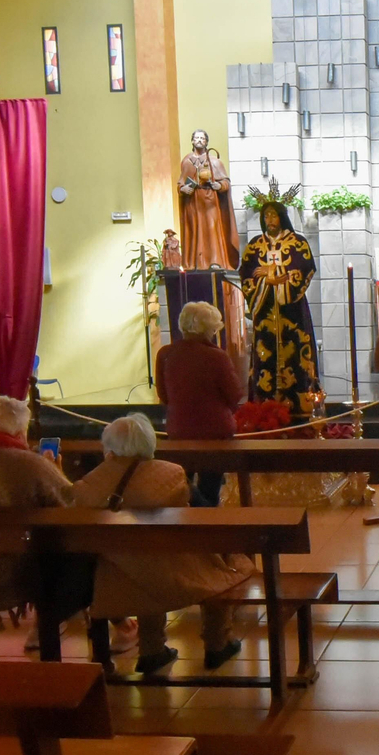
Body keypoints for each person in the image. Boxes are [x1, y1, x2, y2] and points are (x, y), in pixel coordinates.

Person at [0, 396, 136, 652]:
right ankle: (74, 624)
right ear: (17, 431)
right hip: (17, 576)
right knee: (88, 549)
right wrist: (56, 472)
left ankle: (49, 624)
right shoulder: (29, 464)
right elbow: (74, 509)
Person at [72, 414, 256, 674]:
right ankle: (217, 643)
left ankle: (152, 651)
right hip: (176, 573)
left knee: (143, 566)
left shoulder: (91, 482)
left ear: (109, 446)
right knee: (219, 560)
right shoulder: (171, 473)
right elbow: (206, 517)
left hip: (116, 579)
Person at [238, 177, 321, 417]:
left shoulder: (298, 243)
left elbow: (305, 268)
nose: (269, 220)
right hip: (265, 310)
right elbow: (246, 274)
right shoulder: (255, 246)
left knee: (296, 356)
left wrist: (274, 274)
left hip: (292, 311)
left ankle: (300, 406)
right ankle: (263, 408)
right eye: (266, 217)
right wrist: (266, 281)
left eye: (273, 216)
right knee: (265, 356)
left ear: (282, 217)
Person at [156, 301, 244, 506]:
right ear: (208, 329)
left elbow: (163, 395)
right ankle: (207, 514)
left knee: (181, 482)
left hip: (178, 431)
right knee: (210, 486)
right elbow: (234, 394)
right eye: (214, 328)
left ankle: (193, 514)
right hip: (215, 433)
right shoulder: (216, 356)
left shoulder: (165, 354)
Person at [177, 129, 240, 270]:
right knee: (195, 231)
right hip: (194, 203)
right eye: (196, 138)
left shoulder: (215, 161)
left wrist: (220, 185)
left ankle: (215, 261)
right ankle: (195, 263)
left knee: (212, 229)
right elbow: (181, 182)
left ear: (206, 142)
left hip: (210, 201)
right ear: (192, 141)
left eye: (202, 138)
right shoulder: (187, 161)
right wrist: (182, 189)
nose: (199, 140)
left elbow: (225, 182)